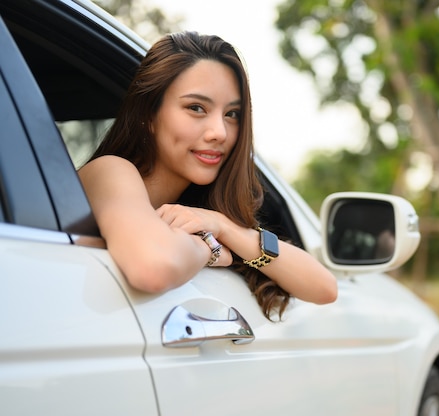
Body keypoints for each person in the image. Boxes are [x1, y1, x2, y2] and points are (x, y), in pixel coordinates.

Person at [78, 31, 337, 320]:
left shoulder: (207, 213)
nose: (220, 133)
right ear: (148, 114)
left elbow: (324, 288)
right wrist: (210, 248)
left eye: (232, 114)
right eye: (196, 108)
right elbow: (152, 269)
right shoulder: (110, 171)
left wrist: (226, 227)